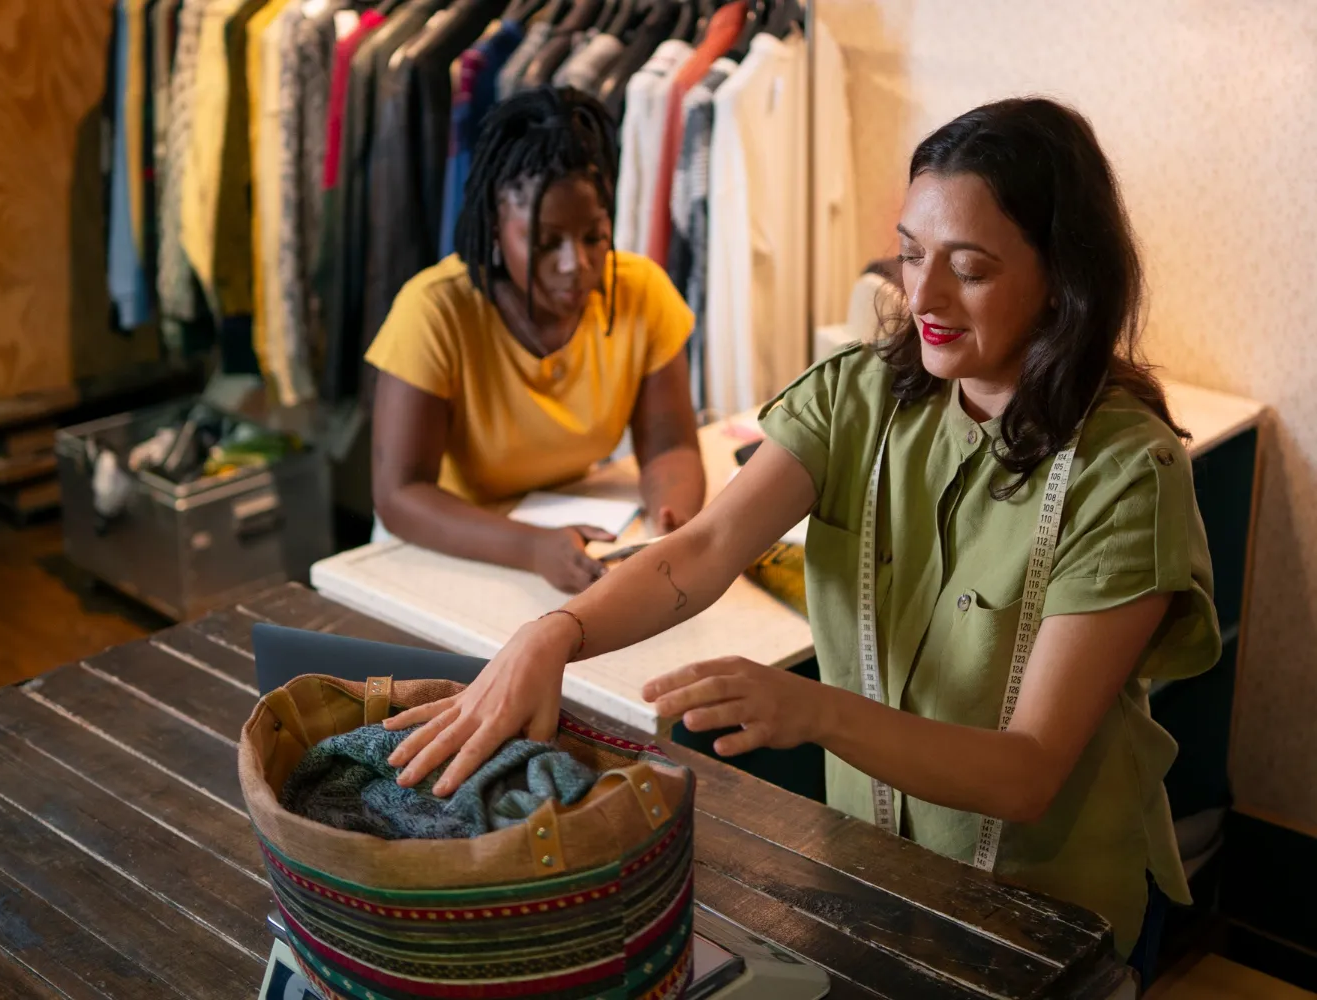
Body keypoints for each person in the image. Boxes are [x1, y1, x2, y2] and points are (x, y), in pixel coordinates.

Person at [382, 97, 1220, 962]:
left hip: (1048, 921)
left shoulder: (1126, 475)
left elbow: (1027, 771)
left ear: (1063, 277)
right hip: (872, 880)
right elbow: (703, 550)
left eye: (967, 269)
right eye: (909, 253)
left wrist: (813, 709)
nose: (921, 295)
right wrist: (552, 634)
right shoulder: (857, 397)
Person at [366, 87, 706, 594]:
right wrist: (532, 547)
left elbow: (671, 446)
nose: (577, 265)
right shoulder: (435, 312)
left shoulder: (639, 292)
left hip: (568, 541)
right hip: (447, 549)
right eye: (547, 243)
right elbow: (401, 495)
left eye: (593, 236)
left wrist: (671, 522)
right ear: (497, 229)